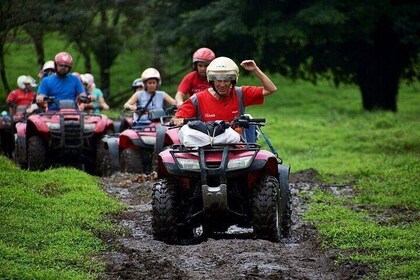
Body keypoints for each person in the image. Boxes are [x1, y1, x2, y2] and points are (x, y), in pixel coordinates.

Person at [173, 57, 277, 125]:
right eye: (218, 80)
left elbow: (271, 89)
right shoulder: (198, 98)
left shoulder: (241, 93)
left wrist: (255, 69)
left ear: (233, 80)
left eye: (226, 80)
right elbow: (177, 118)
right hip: (207, 145)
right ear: (212, 80)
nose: (222, 85)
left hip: (237, 147)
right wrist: (177, 120)